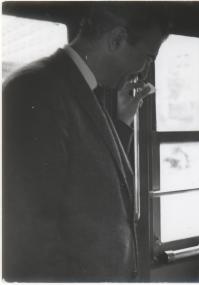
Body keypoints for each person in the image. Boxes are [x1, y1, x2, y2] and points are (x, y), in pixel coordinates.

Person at [3, 4, 169, 281]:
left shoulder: (82, 89)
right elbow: (31, 235)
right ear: (116, 39)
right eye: (147, 58)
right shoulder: (36, 88)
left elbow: (86, 178)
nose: (143, 71)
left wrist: (121, 123)